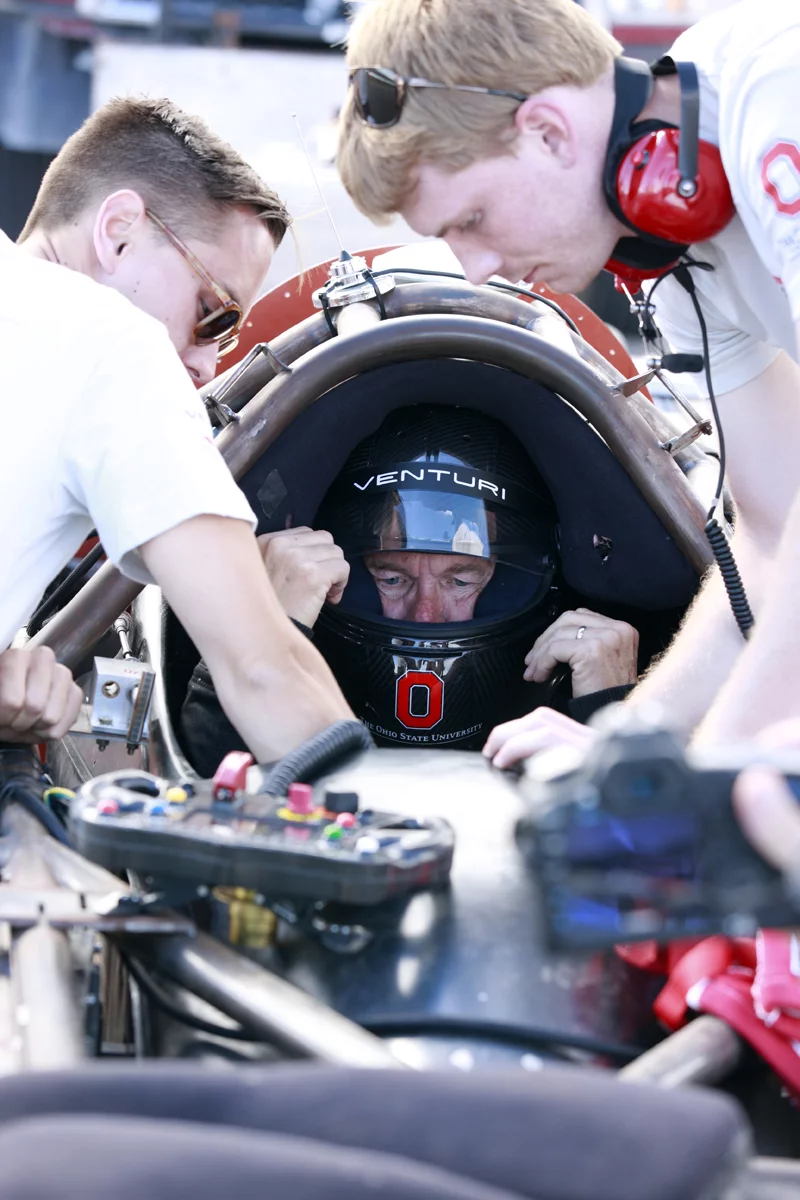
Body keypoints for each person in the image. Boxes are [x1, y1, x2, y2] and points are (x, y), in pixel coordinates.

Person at [336, 0, 800, 782]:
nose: (475, 268)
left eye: (472, 218)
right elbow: (772, 532)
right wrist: (629, 742)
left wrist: (706, 779)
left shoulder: (776, 93)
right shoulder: (674, 259)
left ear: (549, 131)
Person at [0, 96, 352, 762]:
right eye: (213, 314)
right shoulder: (115, 344)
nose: (204, 363)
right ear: (120, 230)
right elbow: (262, 670)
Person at [180, 404, 643, 773]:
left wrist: (608, 713)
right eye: (391, 577)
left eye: (460, 579)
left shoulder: (592, 666)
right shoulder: (294, 608)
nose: (425, 613)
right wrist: (266, 629)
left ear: (510, 578)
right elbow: (204, 781)